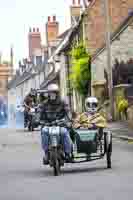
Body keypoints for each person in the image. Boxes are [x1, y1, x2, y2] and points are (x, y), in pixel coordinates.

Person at [40, 83, 73, 164]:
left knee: (64, 132)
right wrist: (39, 121)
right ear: (48, 94)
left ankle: (68, 153)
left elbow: (68, 112)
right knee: (44, 131)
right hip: (48, 125)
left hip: (60, 124)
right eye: (50, 93)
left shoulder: (63, 102)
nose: (52, 94)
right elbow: (40, 115)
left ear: (57, 93)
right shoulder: (44, 104)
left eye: (54, 92)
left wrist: (67, 119)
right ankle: (46, 153)